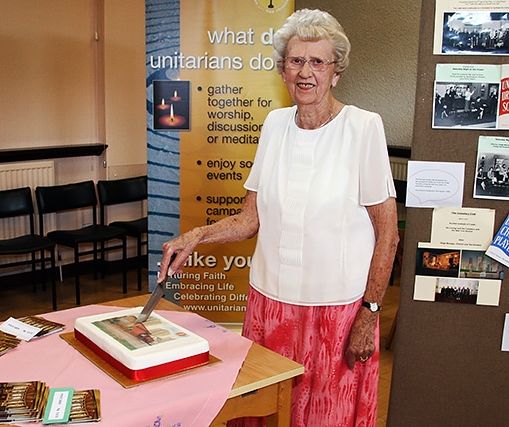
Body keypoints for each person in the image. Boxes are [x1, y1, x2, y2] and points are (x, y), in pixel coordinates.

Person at [158, 8, 399, 427]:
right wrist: (195, 235)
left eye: (317, 62)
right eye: (296, 60)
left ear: (335, 72)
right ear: (283, 70)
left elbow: (388, 235)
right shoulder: (274, 125)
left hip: (337, 314)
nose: (306, 72)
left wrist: (370, 312)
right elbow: (249, 219)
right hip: (270, 308)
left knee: (326, 416)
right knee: (266, 412)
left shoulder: (363, 129)